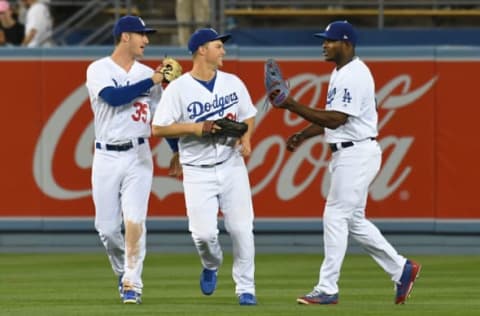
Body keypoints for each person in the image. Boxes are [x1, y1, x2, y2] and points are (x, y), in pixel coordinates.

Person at [268, 20, 421, 305]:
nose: (324, 45)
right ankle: (402, 269)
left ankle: (327, 288)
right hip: (351, 151)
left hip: (357, 153)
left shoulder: (353, 74)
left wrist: (291, 104)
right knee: (354, 220)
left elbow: (337, 119)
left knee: (335, 215)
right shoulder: (343, 72)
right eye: (324, 40)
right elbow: (335, 118)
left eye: (330, 40)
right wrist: (303, 134)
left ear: (347, 43)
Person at [151, 28, 258, 305]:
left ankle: (246, 288)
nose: (223, 50)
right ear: (202, 50)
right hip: (197, 170)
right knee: (204, 235)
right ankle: (212, 264)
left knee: (242, 229)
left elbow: (248, 116)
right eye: (218, 46)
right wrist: (197, 127)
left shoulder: (233, 82)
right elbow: (159, 128)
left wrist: (246, 139)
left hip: (231, 164)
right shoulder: (178, 89)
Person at [85, 15, 164, 305]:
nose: (146, 40)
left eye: (147, 34)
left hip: (138, 155)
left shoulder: (149, 75)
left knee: (135, 221)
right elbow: (114, 97)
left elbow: (162, 120)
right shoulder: (98, 69)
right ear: (125, 37)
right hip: (105, 155)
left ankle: (132, 282)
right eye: (141, 34)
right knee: (106, 228)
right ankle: (123, 271)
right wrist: (153, 80)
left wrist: (177, 151)